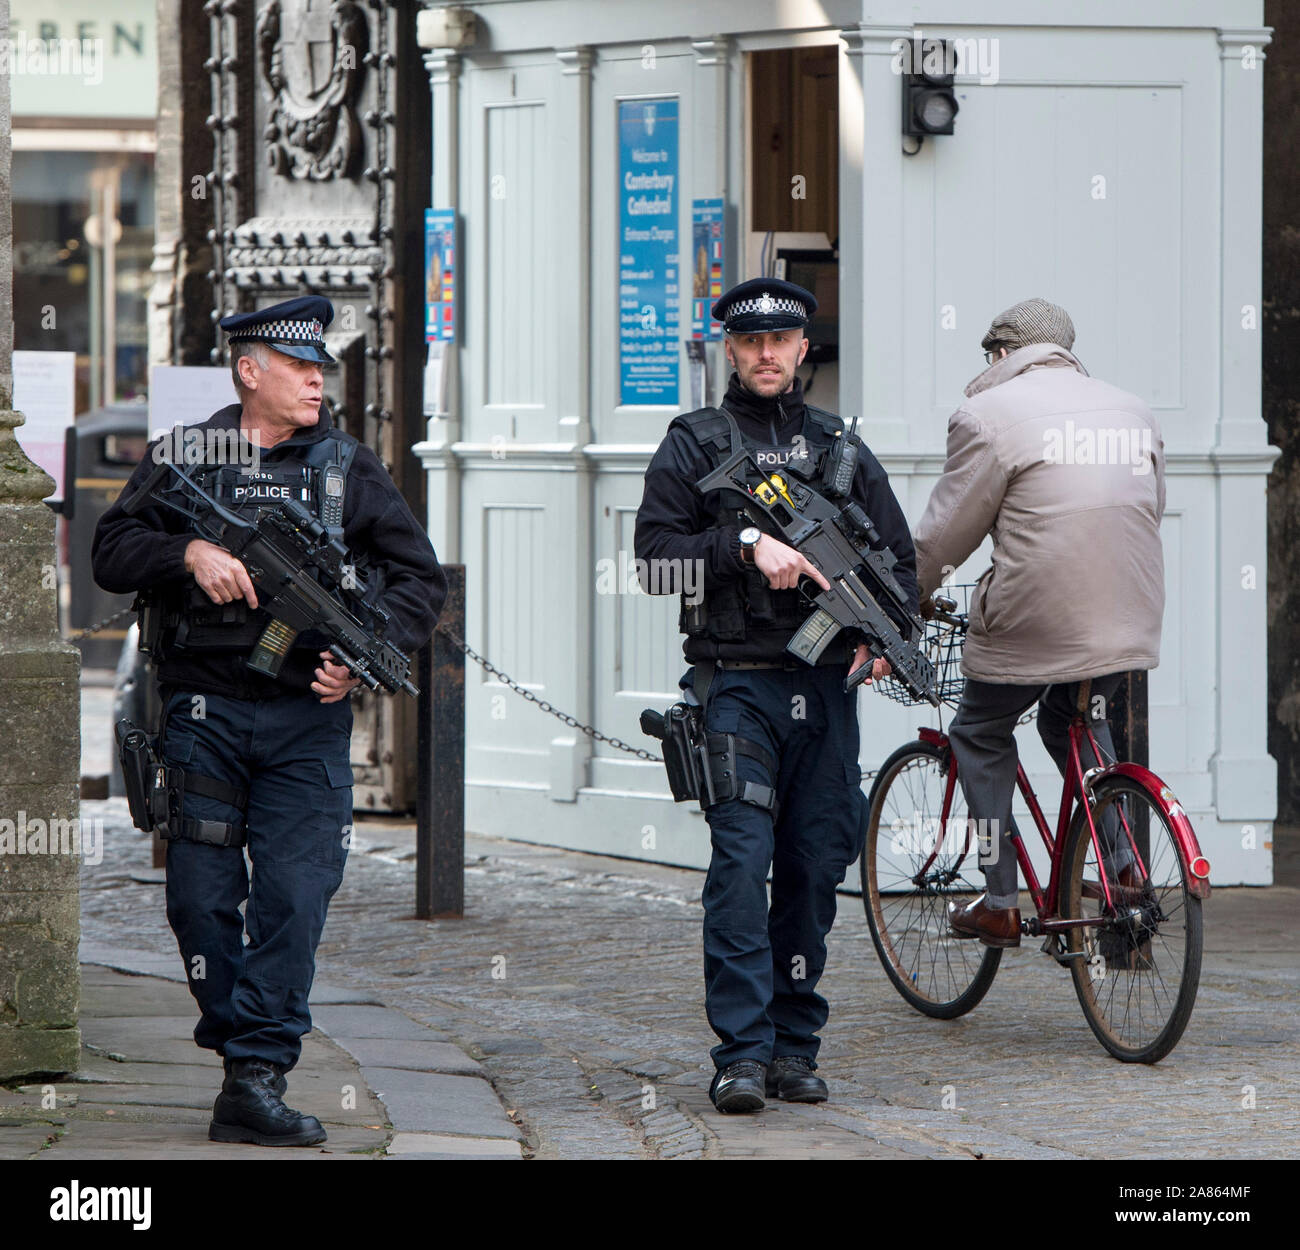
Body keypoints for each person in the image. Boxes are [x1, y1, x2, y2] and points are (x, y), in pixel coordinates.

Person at [92, 296, 447, 1146]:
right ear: (251, 372)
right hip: (204, 714)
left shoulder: (347, 467)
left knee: (294, 898)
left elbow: (418, 583)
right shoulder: (187, 458)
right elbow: (110, 550)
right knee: (200, 903)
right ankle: (239, 1051)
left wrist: (359, 658)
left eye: (321, 368)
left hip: (303, 723)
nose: (318, 380)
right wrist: (187, 552)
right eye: (300, 367)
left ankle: (257, 1072)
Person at [635, 278, 918, 1113]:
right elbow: (654, 560)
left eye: (782, 341)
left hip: (826, 691)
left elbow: (898, 564)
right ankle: (742, 1055)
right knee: (740, 867)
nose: (766, 355)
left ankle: (796, 1047)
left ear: (803, 350)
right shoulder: (694, 443)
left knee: (812, 867)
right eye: (751, 342)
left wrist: (876, 636)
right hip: (736, 687)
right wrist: (745, 545)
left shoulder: (840, 450)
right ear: (730, 349)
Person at [911, 298, 1165, 947]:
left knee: (979, 731)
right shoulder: (1132, 409)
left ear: (1001, 353)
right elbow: (1146, 509)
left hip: (1035, 615)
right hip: (1129, 614)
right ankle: (1125, 868)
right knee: (1073, 718)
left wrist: (905, 596)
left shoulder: (987, 414)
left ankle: (998, 899)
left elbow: (944, 540)